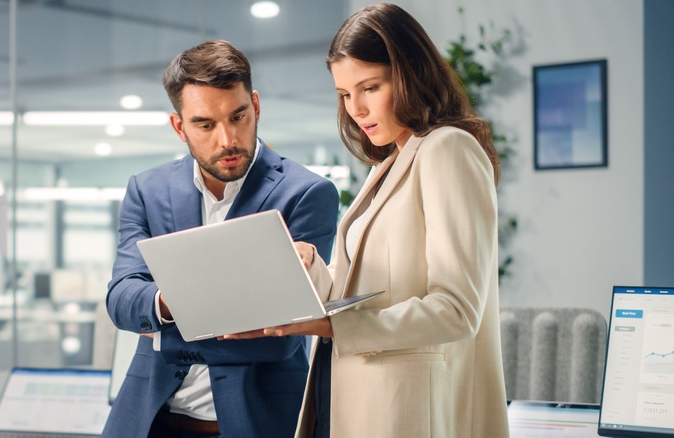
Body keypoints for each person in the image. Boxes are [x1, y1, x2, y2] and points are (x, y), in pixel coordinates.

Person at [225, 3, 509, 437]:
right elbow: (367, 285)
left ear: (411, 73)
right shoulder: (388, 164)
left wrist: (330, 324)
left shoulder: (448, 149)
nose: (355, 108)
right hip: (343, 396)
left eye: (370, 87)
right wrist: (307, 268)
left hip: (402, 408)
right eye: (343, 94)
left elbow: (456, 310)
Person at [102, 40, 340, 438]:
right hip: (150, 420)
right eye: (205, 124)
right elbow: (122, 300)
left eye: (238, 116)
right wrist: (171, 301)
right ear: (180, 127)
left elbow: (282, 335)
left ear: (257, 106)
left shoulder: (307, 193)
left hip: (254, 422)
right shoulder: (147, 190)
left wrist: (164, 332)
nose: (227, 139)